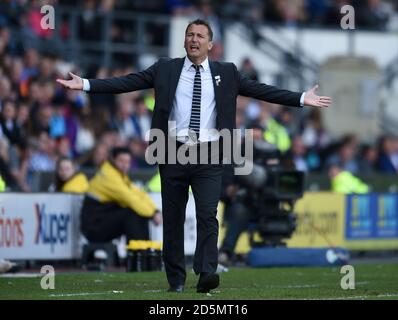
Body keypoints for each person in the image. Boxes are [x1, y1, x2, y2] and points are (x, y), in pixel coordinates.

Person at [57, 19, 332, 293]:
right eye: (190, 34)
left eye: (200, 35)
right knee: (174, 218)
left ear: (210, 44)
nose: (194, 39)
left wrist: (299, 98)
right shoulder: (166, 68)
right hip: (172, 150)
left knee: (208, 214)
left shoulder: (227, 72)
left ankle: (206, 272)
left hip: (210, 153)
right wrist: (86, 84)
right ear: (184, 40)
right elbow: (128, 82)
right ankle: (175, 278)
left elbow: (262, 90)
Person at [80, 147, 162, 245]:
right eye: (121, 161)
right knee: (132, 213)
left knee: (138, 212)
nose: (125, 165)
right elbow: (131, 199)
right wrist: (152, 214)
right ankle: (137, 253)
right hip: (93, 227)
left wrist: (154, 210)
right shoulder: (109, 177)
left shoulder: (119, 175)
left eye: (128, 162)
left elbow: (139, 194)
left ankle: (143, 250)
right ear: (113, 159)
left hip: (101, 220)